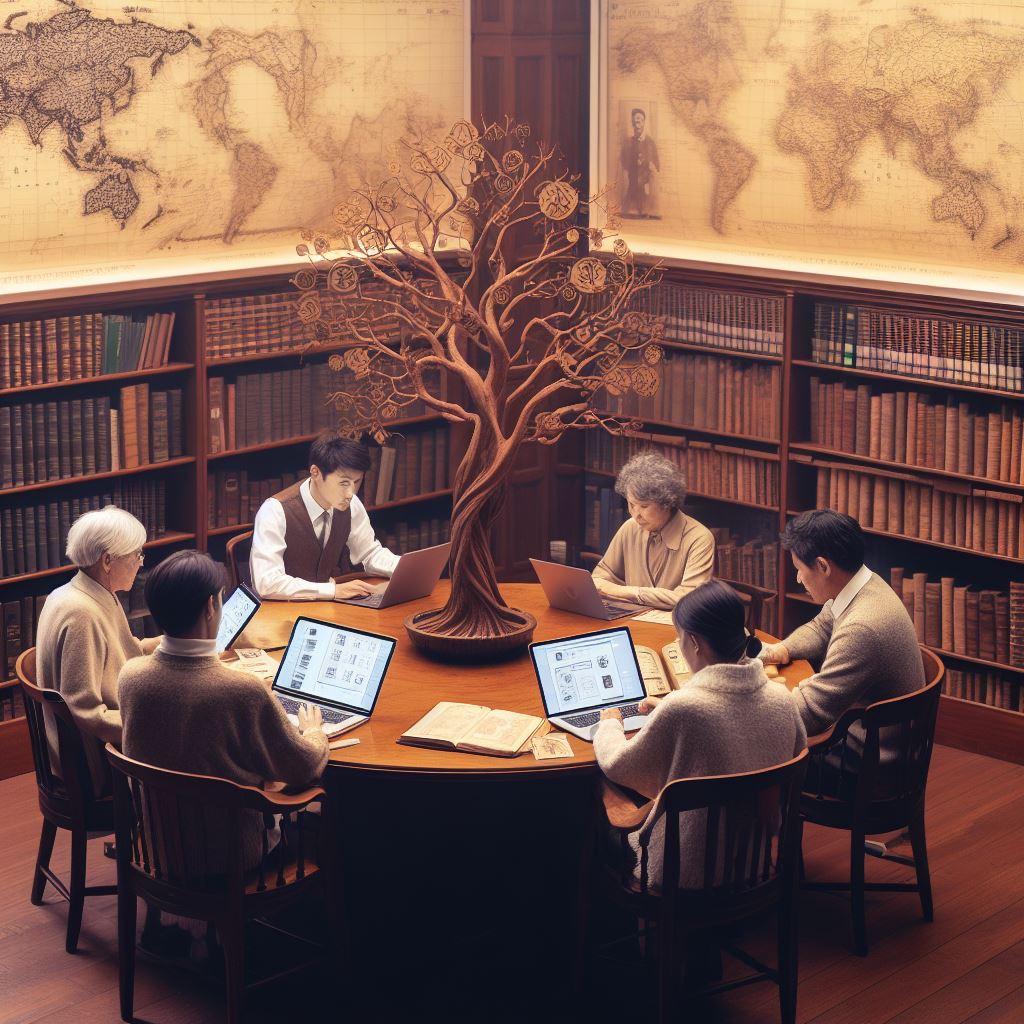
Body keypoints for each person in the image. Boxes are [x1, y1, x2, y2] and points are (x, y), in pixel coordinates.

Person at [118, 550, 329, 874]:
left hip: (157, 848)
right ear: (212, 607)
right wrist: (314, 731)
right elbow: (303, 768)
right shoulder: (242, 691)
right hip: (232, 857)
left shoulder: (131, 676)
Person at [593, 580, 806, 888]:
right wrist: (668, 707)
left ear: (694, 642)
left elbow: (618, 764)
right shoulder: (782, 699)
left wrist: (610, 723)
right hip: (752, 863)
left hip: (684, 872)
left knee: (590, 811)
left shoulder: (684, 709)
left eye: (679, 639)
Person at [761, 509, 924, 739]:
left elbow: (808, 715)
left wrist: (748, 699)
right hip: (863, 727)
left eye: (799, 569)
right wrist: (781, 650)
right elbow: (821, 627)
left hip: (865, 754)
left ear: (823, 566)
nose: (798, 578)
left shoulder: (861, 628)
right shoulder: (864, 582)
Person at [35, 506, 159, 794]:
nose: (140, 563)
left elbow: (119, 649)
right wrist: (149, 724)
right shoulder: (82, 614)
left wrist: (172, 645)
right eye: (136, 555)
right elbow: (86, 711)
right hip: (93, 764)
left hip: (92, 745)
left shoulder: (82, 592)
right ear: (107, 561)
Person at [250, 432, 399, 601]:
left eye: (357, 482)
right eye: (344, 483)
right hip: (278, 611)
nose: (351, 493)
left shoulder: (351, 504)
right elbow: (267, 583)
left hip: (325, 607)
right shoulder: (274, 511)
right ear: (315, 472)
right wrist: (332, 591)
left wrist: (406, 568)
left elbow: (369, 553)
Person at [592, 451, 715, 609]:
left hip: (675, 627)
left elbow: (688, 599)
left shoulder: (699, 538)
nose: (636, 515)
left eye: (644, 506)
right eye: (631, 504)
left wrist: (630, 593)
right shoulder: (630, 527)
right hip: (633, 620)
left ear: (667, 503)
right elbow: (600, 577)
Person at [620, 107, 660, 219]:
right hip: (633, 176)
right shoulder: (628, 142)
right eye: (635, 121)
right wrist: (628, 167)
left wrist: (654, 168)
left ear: (644, 123)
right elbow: (623, 158)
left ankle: (642, 211)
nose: (637, 124)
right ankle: (630, 211)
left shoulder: (650, 142)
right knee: (632, 191)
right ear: (632, 124)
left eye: (640, 121)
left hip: (645, 176)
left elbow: (656, 159)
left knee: (642, 194)